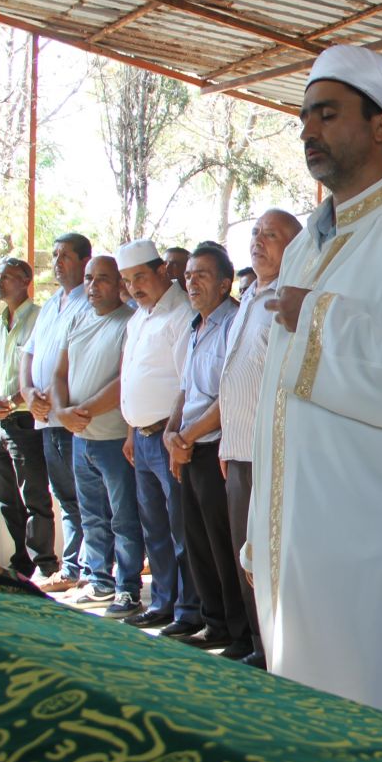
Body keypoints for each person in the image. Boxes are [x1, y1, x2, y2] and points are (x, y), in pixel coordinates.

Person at [245, 43, 382, 731]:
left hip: (367, 543)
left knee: (373, 716)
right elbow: (280, 401)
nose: (309, 129)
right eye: (305, 117)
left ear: (381, 127)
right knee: (306, 721)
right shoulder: (311, 241)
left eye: (327, 113)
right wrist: (264, 522)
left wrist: (318, 318)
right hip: (299, 535)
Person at [215, 210, 299, 668]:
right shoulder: (250, 294)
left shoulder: (293, 297)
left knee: (267, 562)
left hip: (271, 455)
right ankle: (259, 647)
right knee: (243, 557)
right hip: (239, 449)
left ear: (296, 246)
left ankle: (279, 656)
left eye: (271, 235)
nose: (258, 241)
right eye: (255, 233)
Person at [116, 239, 200, 637]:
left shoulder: (181, 315)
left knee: (180, 529)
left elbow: (189, 384)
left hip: (170, 438)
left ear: (162, 271)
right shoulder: (139, 318)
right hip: (143, 440)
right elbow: (134, 379)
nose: (134, 287)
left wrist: (175, 438)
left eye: (140, 277)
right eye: (128, 281)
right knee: (154, 529)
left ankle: (188, 610)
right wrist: (133, 431)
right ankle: (162, 602)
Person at [165, 244, 244, 654]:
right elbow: (186, 387)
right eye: (189, 275)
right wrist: (171, 432)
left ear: (225, 284)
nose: (190, 282)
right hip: (188, 447)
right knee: (196, 541)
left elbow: (228, 395)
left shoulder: (233, 324)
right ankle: (213, 624)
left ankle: (236, 629)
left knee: (223, 544)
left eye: (201, 275)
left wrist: (189, 436)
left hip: (215, 450)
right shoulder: (196, 325)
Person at [52, 256, 139, 615]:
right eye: (88, 278)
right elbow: (59, 372)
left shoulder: (129, 322)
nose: (92, 286)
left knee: (123, 516)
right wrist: (61, 412)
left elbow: (125, 381)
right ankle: (99, 581)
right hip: (79, 437)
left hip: (112, 438)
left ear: (119, 283)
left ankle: (128, 588)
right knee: (91, 515)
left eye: (102, 279)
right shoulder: (77, 318)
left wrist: (81, 411)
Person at [19, 233, 94, 593]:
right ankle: (74, 566)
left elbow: (80, 362)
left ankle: (86, 567)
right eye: (55, 255)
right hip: (44, 416)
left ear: (84, 261)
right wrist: (29, 391)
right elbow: (28, 355)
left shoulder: (89, 304)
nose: (57, 261)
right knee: (62, 495)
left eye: (65, 255)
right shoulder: (51, 305)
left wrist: (57, 400)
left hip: (71, 418)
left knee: (84, 496)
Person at [0, 256, 57, 581]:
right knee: (6, 498)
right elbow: (1, 371)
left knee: (34, 496)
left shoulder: (39, 319)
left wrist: (13, 400)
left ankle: (44, 562)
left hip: (25, 422)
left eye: (7, 276)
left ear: (25, 282)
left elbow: (39, 374)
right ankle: (21, 561)